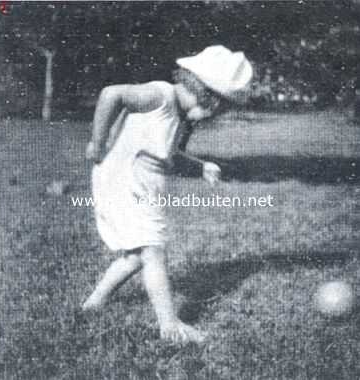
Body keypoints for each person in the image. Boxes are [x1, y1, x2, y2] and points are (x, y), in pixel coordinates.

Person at [82, 45, 253, 344]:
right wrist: (97, 143)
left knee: (138, 255)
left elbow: (169, 153)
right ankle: (169, 324)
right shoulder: (160, 95)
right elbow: (112, 93)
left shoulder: (178, 116)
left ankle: (95, 301)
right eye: (219, 109)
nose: (211, 117)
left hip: (144, 184)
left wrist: (201, 166)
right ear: (208, 97)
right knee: (153, 250)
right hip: (124, 180)